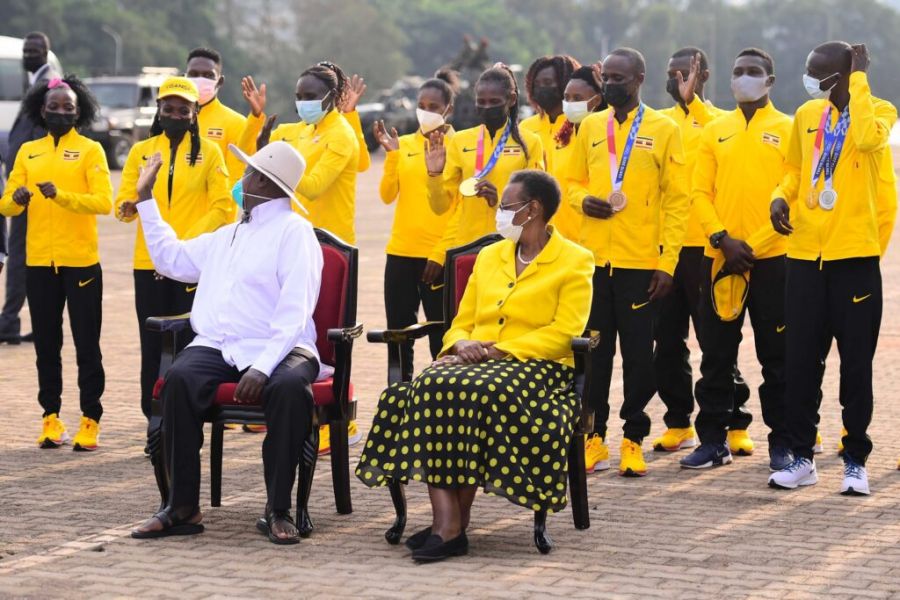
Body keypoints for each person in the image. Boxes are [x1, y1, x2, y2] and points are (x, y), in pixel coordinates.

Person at [356, 169, 594, 562]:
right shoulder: (490, 255)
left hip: (538, 366)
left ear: (533, 210)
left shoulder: (575, 260)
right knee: (431, 384)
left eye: (506, 207)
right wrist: (461, 342)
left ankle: (449, 527)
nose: (499, 214)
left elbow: (565, 331)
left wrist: (501, 351)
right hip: (473, 359)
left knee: (475, 391)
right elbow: (462, 319)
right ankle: (448, 521)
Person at [130, 141, 325, 544]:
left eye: (248, 173)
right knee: (179, 378)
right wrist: (146, 200)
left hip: (284, 347)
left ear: (266, 184)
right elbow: (172, 260)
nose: (242, 178)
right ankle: (182, 506)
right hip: (219, 344)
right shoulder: (228, 234)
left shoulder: (295, 233)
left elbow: (295, 311)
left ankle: (278, 509)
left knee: (289, 389)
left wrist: (263, 366)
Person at [768, 42, 897, 496]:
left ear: (842, 75)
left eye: (818, 72)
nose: (809, 78)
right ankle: (802, 457)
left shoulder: (879, 109)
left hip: (855, 260)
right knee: (801, 362)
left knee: (856, 367)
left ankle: (855, 460)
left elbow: (864, 137)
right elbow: (793, 168)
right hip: (804, 257)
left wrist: (859, 79)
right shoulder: (807, 115)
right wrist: (780, 196)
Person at [566, 48, 689, 477]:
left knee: (640, 358)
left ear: (639, 79)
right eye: (607, 78)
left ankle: (633, 438)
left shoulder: (664, 128)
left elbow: (677, 201)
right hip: (595, 263)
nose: (611, 85)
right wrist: (583, 201)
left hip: (641, 264)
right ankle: (593, 439)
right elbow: (570, 182)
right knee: (594, 356)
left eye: (620, 77)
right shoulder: (591, 127)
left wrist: (667, 263)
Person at [681, 48, 793, 471]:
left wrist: (753, 247)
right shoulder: (716, 130)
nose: (744, 78)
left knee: (777, 358)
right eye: (738, 71)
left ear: (770, 80)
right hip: (720, 260)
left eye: (754, 72)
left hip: (772, 261)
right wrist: (721, 239)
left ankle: (782, 444)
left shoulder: (788, 128)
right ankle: (712, 441)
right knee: (716, 356)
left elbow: (793, 192)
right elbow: (699, 193)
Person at [255, 61, 363, 449]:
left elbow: (314, 186)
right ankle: (294, 408)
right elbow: (263, 145)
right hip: (294, 240)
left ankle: (341, 418)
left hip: (330, 245)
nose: (303, 103)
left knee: (332, 336)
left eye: (311, 97)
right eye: (299, 97)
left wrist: (272, 167)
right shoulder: (300, 129)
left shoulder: (342, 136)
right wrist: (262, 139)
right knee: (294, 329)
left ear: (332, 98)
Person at [0, 76, 112, 449]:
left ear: (80, 112)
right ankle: (50, 418)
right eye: (54, 107)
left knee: (86, 344)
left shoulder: (91, 150)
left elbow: (102, 202)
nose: (61, 112)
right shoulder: (28, 152)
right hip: (39, 263)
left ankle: (90, 419)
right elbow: (5, 205)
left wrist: (62, 195)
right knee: (46, 344)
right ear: (41, 111)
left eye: (69, 107)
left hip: (80, 263)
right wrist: (16, 199)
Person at [652, 47, 754, 455]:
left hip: (707, 249)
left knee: (716, 342)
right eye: (672, 73)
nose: (678, 81)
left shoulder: (718, 121)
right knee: (668, 342)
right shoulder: (659, 123)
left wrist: (693, 99)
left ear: (705, 76)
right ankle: (678, 421)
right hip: (667, 249)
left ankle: (735, 422)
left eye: (687, 74)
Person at [115, 78, 232, 427]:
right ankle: (155, 419)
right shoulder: (142, 151)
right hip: (147, 263)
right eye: (169, 108)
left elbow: (223, 206)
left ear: (195, 114)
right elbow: (123, 204)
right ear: (159, 111)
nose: (175, 114)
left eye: (184, 109)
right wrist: (129, 206)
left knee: (191, 342)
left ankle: (189, 417)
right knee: (152, 344)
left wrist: (183, 243)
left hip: (193, 265)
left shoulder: (210, 153)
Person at [373, 70, 460, 367]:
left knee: (443, 339)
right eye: (422, 104)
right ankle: (399, 399)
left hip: (440, 257)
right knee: (398, 335)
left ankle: (442, 402)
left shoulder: (459, 147)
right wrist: (392, 157)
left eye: (434, 106)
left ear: (448, 109)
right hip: (400, 253)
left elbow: (460, 208)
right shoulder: (405, 143)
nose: (426, 111)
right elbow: (386, 195)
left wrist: (440, 254)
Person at [426, 63, 544, 251]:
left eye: (494, 102)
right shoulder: (461, 140)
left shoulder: (530, 143)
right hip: (467, 245)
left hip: (510, 245)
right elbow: (440, 208)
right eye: (481, 101)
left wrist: (500, 202)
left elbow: (537, 204)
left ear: (511, 99)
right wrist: (434, 174)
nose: (486, 107)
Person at [0, 32, 59, 345]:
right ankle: (36, 322)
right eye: (26, 50)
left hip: (29, 185)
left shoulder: (48, 81)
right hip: (26, 182)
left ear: (46, 53)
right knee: (32, 254)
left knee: (21, 253)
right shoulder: (34, 79)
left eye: (34, 50)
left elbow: (42, 133)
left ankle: (9, 321)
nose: (28, 54)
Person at [185, 47, 265, 189]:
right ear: (184, 78)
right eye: (194, 74)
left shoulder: (236, 123)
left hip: (217, 206)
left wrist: (256, 117)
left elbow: (239, 168)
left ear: (220, 81)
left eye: (208, 76)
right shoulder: (169, 120)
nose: (200, 80)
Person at [551, 65, 606, 242]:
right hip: (561, 240)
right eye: (567, 98)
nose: (570, 103)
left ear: (596, 101)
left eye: (577, 98)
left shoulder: (608, 137)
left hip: (595, 239)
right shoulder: (561, 139)